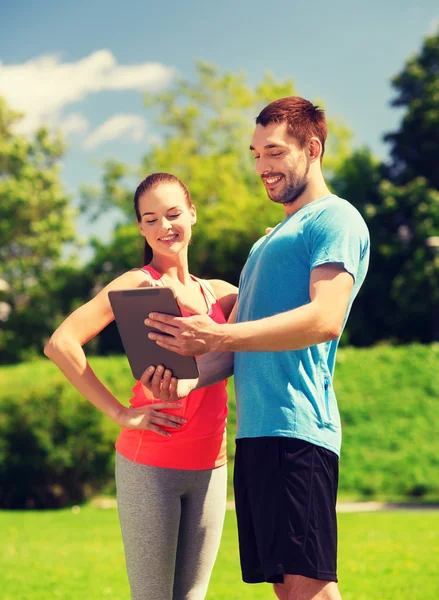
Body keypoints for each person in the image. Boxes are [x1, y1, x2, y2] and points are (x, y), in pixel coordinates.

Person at [142, 97, 370, 600]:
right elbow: (241, 346)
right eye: (255, 155)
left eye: (274, 152)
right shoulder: (266, 242)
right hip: (258, 435)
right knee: (287, 590)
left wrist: (217, 333)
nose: (262, 168)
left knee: (312, 588)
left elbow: (325, 319)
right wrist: (185, 376)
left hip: (297, 429)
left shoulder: (336, 219)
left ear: (312, 149)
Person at [44, 172, 238, 600]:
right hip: (151, 461)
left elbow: (268, 329)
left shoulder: (222, 294)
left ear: (192, 213)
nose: (163, 227)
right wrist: (120, 413)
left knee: (192, 597)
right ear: (140, 228)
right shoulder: (137, 284)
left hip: (212, 463)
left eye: (172, 214)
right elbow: (61, 343)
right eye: (150, 219)